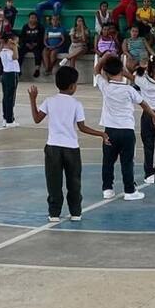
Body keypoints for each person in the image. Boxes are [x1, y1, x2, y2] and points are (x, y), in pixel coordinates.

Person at [29, 68, 108, 222]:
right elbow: (82, 127)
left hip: (53, 147)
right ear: (72, 86)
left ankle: (54, 213)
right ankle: (75, 212)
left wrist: (33, 99)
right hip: (71, 148)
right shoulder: (76, 104)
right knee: (74, 182)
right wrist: (101, 134)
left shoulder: (49, 101)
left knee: (53, 182)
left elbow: (37, 119)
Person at [94, 54, 155, 201]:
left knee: (108, 161)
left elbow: (96, 70)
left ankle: (107, 189)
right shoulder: (129, 90)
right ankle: (129, 191)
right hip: (127, 132)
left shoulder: (105, 86)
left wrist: (104, 58)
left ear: (106, 73)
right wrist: (153, 115)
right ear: (122, 71)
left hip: (110, 131)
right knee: (127, 162)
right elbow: (143, 103)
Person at [0, 33, 20, 127]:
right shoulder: (8, 52)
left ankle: (5, 117)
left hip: (5, 74)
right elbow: (15, 57)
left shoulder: (2, 51)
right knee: (10, 98)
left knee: (6, 97)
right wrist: (14, 47)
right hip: (11, 74)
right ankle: (10, 120)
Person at [19, 12, 45, 79]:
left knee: (38, 53)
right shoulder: (25, 27)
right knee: (20, 52)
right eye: (32, 18)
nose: (33, 19)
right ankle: (18, 69)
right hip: (26, 44)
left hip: (37, 45)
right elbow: (22, 37)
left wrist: (35, 44)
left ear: (37, 19)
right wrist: (26, 43)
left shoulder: (40, 27)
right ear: (29, 19)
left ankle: (37, 69)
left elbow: (41, 37)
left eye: (34, 18)